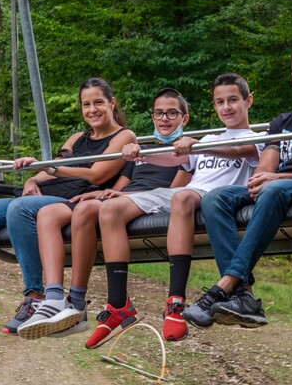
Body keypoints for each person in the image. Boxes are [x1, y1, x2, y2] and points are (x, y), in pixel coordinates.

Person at [182, 36, 292, 329]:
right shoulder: (282, 122)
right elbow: (266, 167)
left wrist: (276, 177)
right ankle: (243, 295)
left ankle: (224, 287)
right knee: (215, 198)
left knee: (274, 188)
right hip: (278, 187)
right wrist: (262, 179)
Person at [84, 73, 264, 349]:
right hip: (187, 193)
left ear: (248, 101)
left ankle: (175, 303)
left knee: (181, 198)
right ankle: (117, 303)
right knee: (110, 209)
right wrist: (140, 153)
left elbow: (242, 150)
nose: (226, 107)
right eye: (220, 102)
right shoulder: (209, 137)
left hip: (217, 197)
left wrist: (202, 145)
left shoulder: (261, 136)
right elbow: (171, 157)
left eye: (232, 100)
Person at [17, 88, 191, 340]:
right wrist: (103, 193)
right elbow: (122, 183)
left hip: (148, 200)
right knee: (79, 207)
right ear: (152, 117)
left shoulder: (184, 150)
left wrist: (118, 196)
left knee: (98, 208)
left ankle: (95, 300)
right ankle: (67, 299)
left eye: (172, 113)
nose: (164, 119)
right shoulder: (141, 151)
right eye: (159, 113)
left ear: (183, 119)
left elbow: (175, 190)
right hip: (124, 198)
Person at [0, 78, 136, 336]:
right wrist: (32, 177)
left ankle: (36, 296)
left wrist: (46, 167)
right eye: (86, 105)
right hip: (43, 193)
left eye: (98, 102)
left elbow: (96, 175)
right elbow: (53, 168)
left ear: (112, 103)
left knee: (22, 209)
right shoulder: (76, 138)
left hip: (74, 199)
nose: (92, 110)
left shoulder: (124, 136)